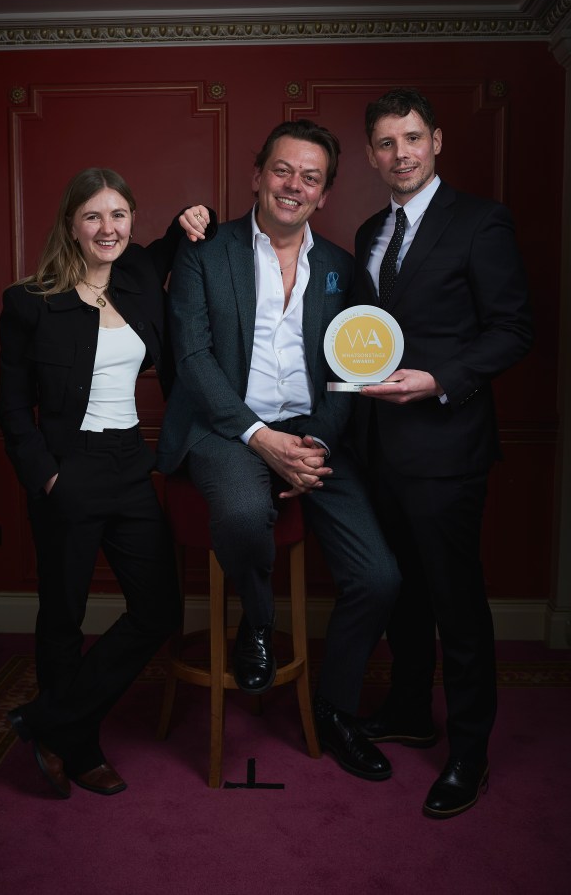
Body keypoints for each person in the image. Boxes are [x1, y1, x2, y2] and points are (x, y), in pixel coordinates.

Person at [157, 120, 401, 782]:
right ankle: (256, 623)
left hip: (312, 432)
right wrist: (261, 441)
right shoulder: (206, 254)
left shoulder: (341, 270)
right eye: (284, 171)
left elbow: (349, 368)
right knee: (239, 516)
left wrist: (315, 443)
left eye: (311, 177)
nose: (294, 186)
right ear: (259, 175)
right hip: (224, 428)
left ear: (324, 194)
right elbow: (194, 360)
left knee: (379, 578)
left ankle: (335, 710)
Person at [0, 167, 213, 798]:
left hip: (129, 462)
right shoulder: (28, 301)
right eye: (93, 216)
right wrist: (47, 477)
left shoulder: (142, 273)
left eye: (118, 215)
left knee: (158, 609)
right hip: (68, 469)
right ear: (71, 224)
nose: (107, 228)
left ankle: (49, 723)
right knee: (63, 614)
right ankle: (80, 748)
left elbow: (185, 232)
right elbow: (13, 408)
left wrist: (195, 215)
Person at [351, 88, 533, 817]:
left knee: (455, 602)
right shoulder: (368, 229)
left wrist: (439, 381)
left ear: (438, 142)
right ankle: (406, 709)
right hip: (376, 449)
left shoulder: (480, 222)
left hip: (448, 446)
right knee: (402, 590)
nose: (401, 153)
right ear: (370, 154)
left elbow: (514, 330)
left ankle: (468, 751)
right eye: (387, 142)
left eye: (413, 138)